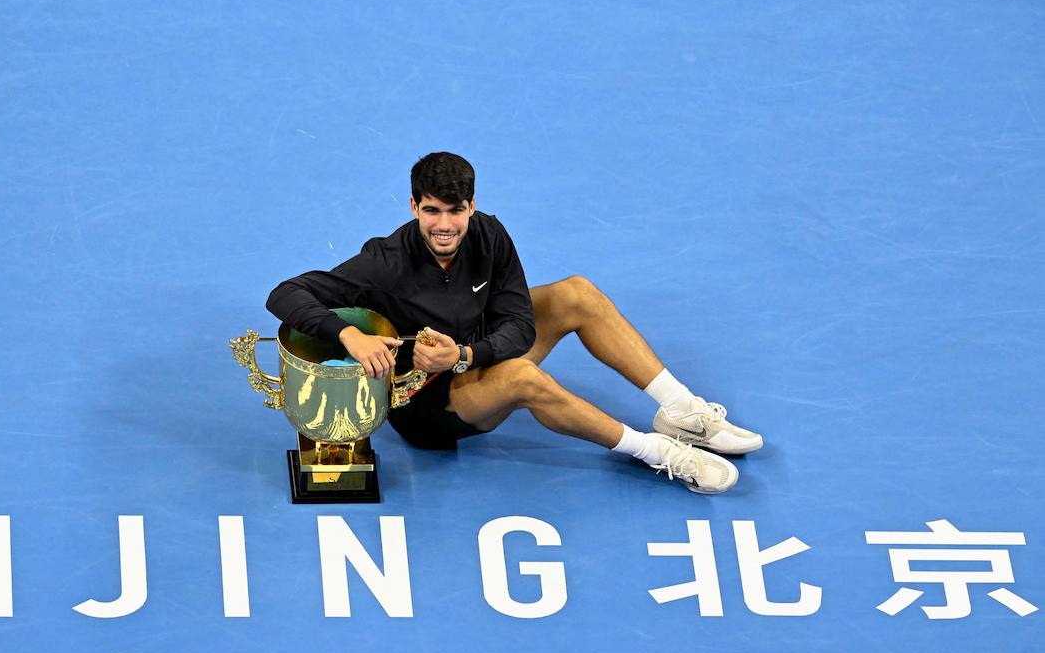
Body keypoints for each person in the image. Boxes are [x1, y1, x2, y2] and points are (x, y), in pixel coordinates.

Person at [265, 152, 762, 493]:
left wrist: (464, 355)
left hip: (473, 357)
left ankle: (681, 412)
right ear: (414, 206)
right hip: (428, 405)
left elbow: (520, 326)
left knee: (576, 294)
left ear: (472, 206)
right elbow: (285, 294)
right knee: (524, 377)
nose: (443, 225)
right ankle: (657, 452)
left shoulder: (490, 236)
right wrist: (349, 334)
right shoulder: (386, 260)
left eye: (455, 211)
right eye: (431, 210)